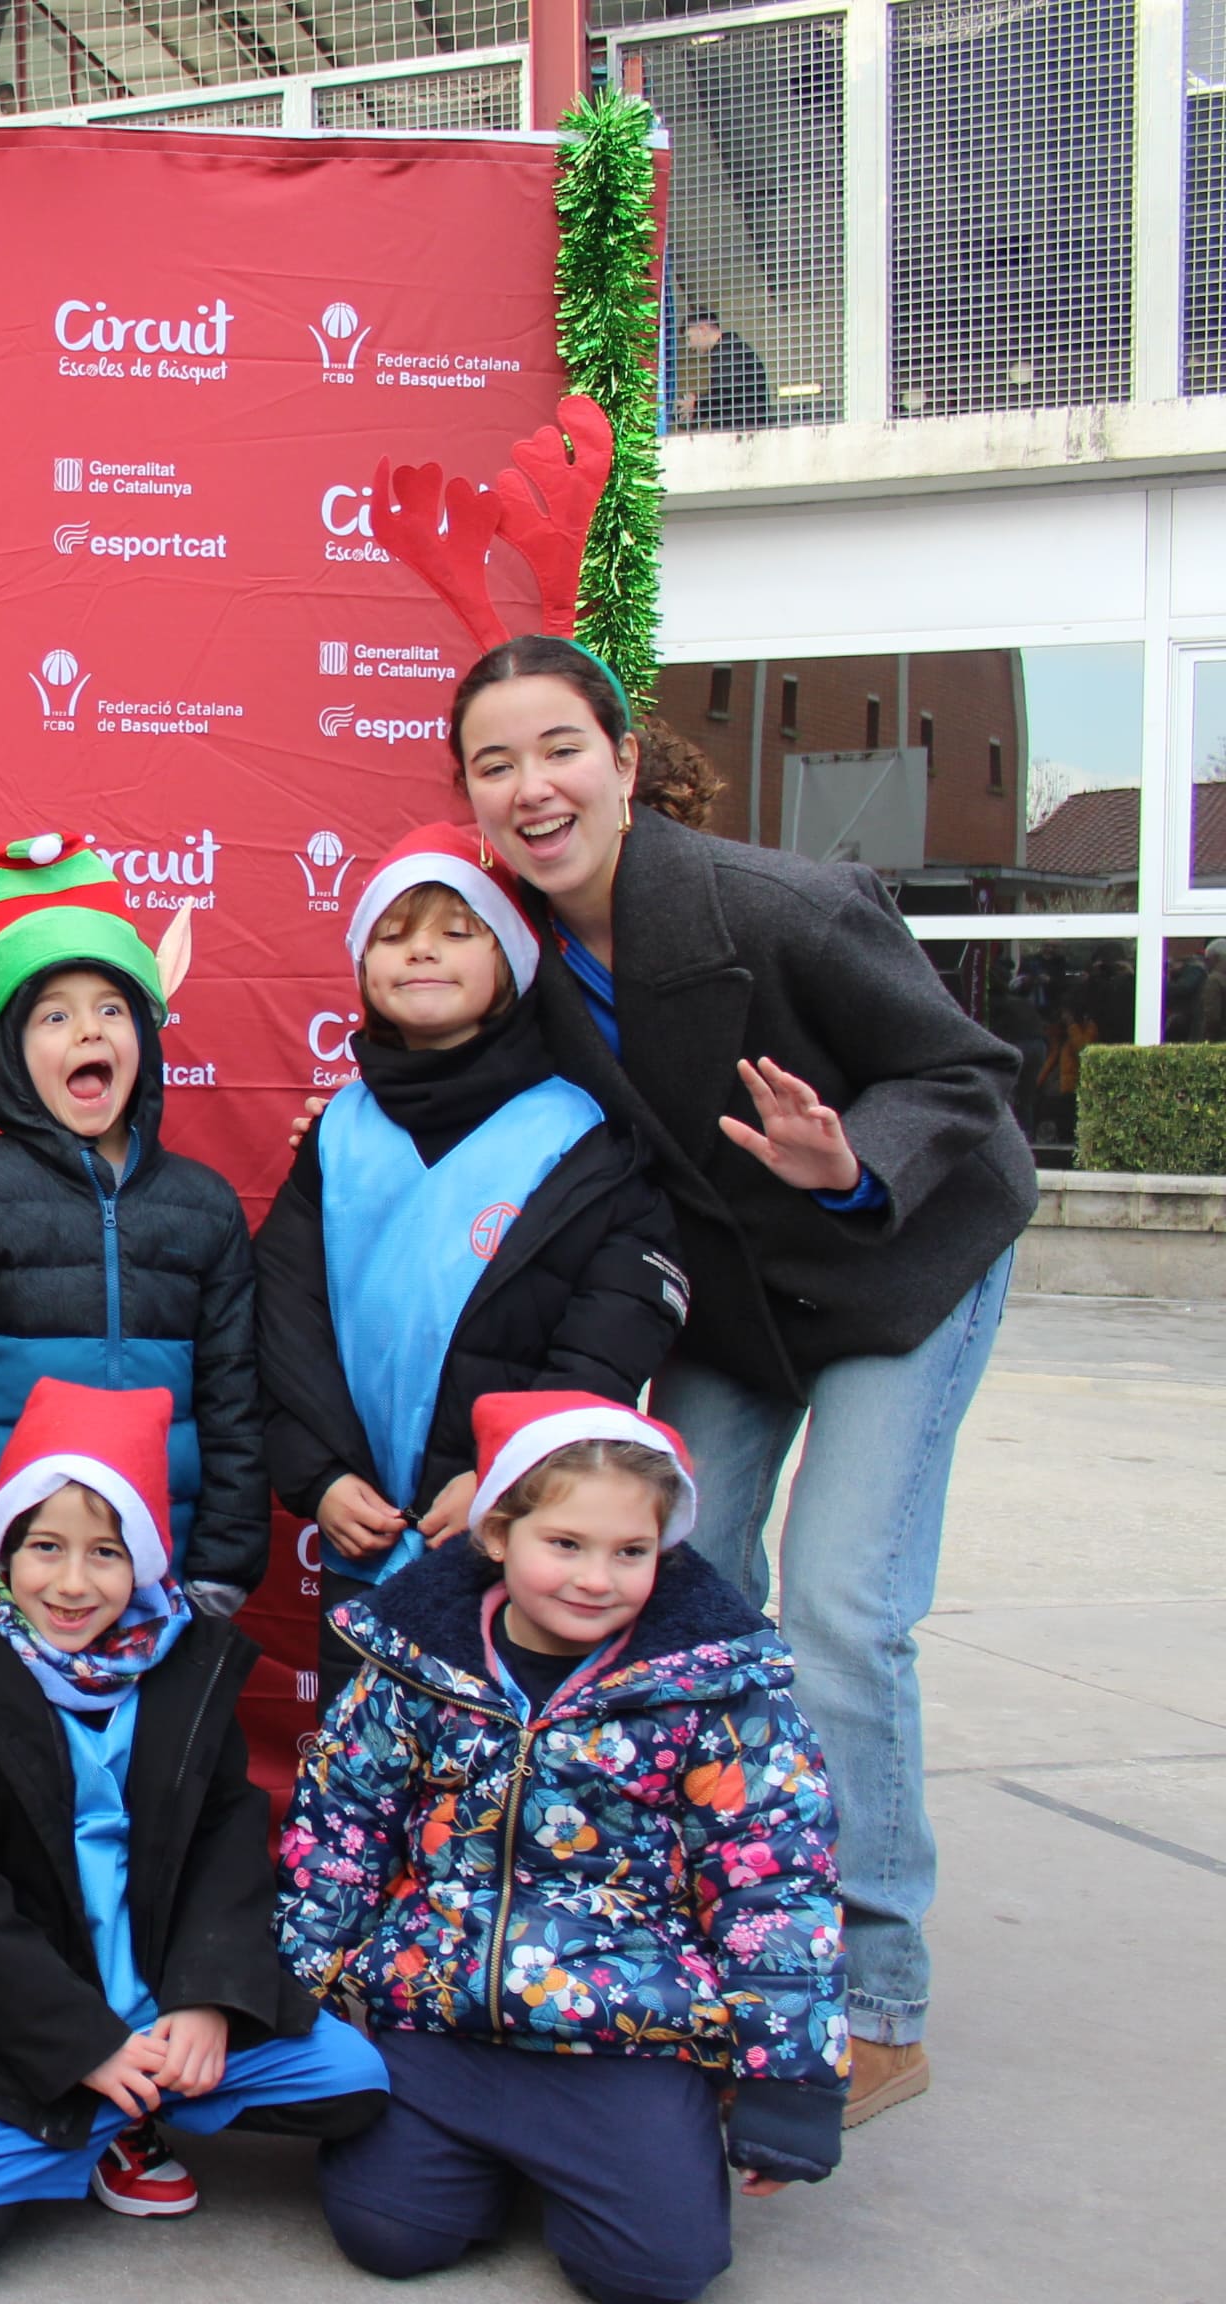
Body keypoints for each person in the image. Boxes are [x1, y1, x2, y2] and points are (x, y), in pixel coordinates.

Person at [446, 633, 1033, 2117]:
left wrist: (851, 1166)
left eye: (559, 749)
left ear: (627, 763)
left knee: (840, 1605)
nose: (533, 787)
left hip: (902, 1263)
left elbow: (963, 1074)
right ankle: (724, 1914)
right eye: (494, 764)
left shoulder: (774, 904)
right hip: (736, 1308)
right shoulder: (521, 962)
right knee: (682, 1579)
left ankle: (875, 1994)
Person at [281, 1392, 847, 2301]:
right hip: (437, 2018)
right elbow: (339, 1831)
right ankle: (478, 2153)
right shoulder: (414, 1664)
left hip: (623, 2034)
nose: (596, 1578)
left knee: (654, 2275)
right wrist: (293, 1997)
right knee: (388, 2235)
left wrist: (790, 2077)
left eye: (632, 1552)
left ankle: (638, 2142)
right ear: (499, 1534)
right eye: (567, 1545)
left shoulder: (715, 1691)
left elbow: (774, 1879)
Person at [0, 1379, 388, 2287]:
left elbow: (228, 1838)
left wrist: (205, 1998)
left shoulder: (188, 1662)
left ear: (142, 1561)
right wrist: (85, 2044)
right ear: (5, 1547)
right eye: (46, 1548)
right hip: (22, 2013)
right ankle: (103, 2112)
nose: (73, 1584)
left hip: (154, 1987)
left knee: (354, 2086)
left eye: (106, 1553)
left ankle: (122, 2111)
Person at [253, 827, 684, 1706]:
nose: (421, 950)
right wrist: (320, 1475)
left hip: (516, 1534)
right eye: (394, 931)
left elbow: (611, 1327)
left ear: (512, 965)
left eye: (458, 930)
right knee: (361, 1774)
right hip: (363, 1535)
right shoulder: (337, 1134)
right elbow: (281, 1320)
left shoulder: (582, 1135)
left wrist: (510, 1473)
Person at [0, 837, 266, 1615]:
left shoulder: (206, 1205)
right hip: (0, 1575)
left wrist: (224, 1564)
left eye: (110, 1009)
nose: (89, 1032)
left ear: (142, 1039)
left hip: (162, 1573)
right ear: (11, 1054)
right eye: (55, 1016)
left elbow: (234, 1403)